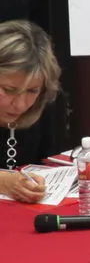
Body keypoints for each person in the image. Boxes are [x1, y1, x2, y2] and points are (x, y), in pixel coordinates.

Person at [0, 19, 61, 204]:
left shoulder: (44, 105)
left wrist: (35, 184)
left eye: (32, 91)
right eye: (8, 90)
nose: (19, 105)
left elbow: (46, 164)